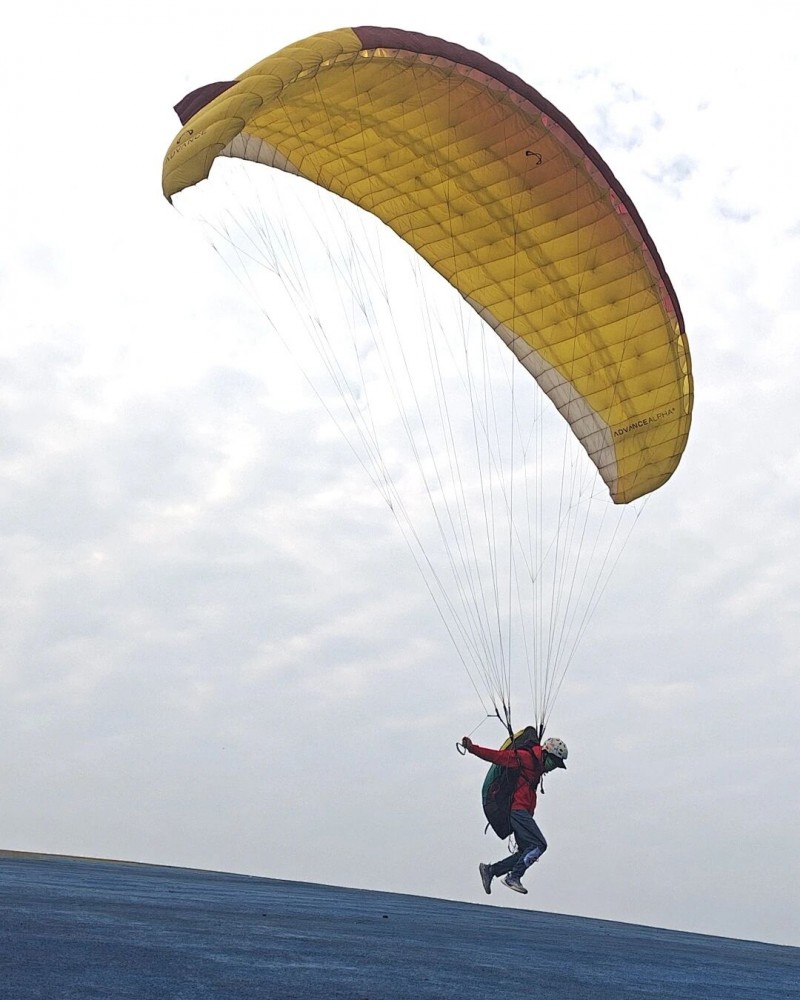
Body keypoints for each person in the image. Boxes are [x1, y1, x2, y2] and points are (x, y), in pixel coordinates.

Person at [461, 734, 568, 895]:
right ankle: (513, 877)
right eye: (554, 762)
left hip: (523, 813)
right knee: (539, 845)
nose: (553, 768)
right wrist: (471, 748)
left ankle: (491, 870)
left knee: (525, 850)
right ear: (546, 753)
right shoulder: (525, 758)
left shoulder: (537, 769)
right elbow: (497, 757)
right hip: (517, 811)